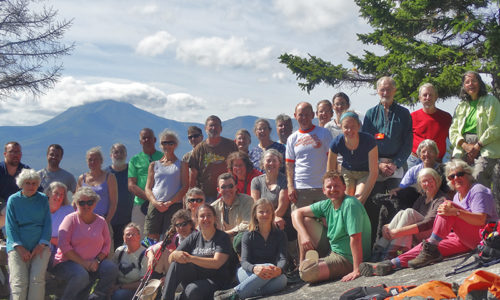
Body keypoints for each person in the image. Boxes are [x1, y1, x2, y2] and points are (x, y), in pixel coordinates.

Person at [360, 159, 499, 276]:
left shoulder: (477, 190)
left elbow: (480, 220)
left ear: (469, 174)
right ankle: (391, 263)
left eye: (460, 174)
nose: (456, 178)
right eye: (451, 176)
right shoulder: (455, 196)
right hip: (459, 238)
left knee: (445, 208)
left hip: (483, 237)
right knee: (425, 245)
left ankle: (426, 247)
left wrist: (455, 212)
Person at [292, 171, 371, 283]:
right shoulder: (327, 204)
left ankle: (309, 266)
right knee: (304, 221)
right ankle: (302, 264)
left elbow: (356, 238)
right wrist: (304, 235)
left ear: (344, 187)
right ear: (324, 190)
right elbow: (296, 213)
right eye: (329, 187)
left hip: (348, 258)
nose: (333, 189)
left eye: (336, 186)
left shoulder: (350, 204)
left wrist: (356, 269)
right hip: (332, 249)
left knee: (307, 273)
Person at [362, 76, 412, 244]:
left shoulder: (404, 113)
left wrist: (395, 163)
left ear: (394, 91)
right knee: (374, 205)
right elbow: (365, 142)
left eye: (389, 89)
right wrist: (378, 164)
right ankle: (374, 244)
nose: (385, 92)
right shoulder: (370, 114)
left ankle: (395, 245)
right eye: (382, 89)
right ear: (377, 91)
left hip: (396, 165)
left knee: (396, 204)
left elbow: (408, 142)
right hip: (375, 165)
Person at [214, 199, 287, 300]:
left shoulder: (280, 235)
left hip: (270, 273)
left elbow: (282, 258)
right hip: (248, 272)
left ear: (272, 214)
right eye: (261, 211)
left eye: (268, 211)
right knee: (268, 267)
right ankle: (240, 292)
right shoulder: (248, 235)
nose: (265, 214)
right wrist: (254, 269)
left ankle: (236, 293)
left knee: (282, 280)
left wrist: (279, 270)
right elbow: (244, 261)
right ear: (255, 215)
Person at [53, 187, 118, 300]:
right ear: (76, 204)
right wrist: (84, 264)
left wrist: (96, 261)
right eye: (81, 202)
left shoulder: (101, 221)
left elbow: (107, 245)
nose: (86, 206)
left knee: (111, 268)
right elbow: (64, 246)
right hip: (67, 262)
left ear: (95, 203)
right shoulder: (70, 220)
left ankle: (96, 296)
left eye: (90, 202)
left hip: (94, 262)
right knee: (81, 275)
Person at [449, 71, 500, 211]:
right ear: (463, 86)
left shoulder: (491, 101)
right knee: (456, 178)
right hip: (463, 147)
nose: (471, 84)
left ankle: (482, 214)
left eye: (474, 80)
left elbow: (496, 126)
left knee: (478, 176)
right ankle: (464, 214)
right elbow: (453, 130)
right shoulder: (461, 106)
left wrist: (478, 146)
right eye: (467, 82)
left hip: (486, 147)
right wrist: (465, 145)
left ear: (480, 83)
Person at [161, 204, 234, 300]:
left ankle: (179, 298)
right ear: (197, 220)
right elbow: (171, 258)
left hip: (216, 280)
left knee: (192, 290)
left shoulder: (222, 237)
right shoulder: (194, 237)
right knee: (176, 264)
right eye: (202, 216)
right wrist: (175, 254)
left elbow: (217, 263)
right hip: (196, 277)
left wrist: (190, 258)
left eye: (209, 215)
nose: (205, 219)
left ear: (215, 218)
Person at [371, 168, 446, 261]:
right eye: (424, 182)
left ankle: (391, 251)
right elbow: (409, 218)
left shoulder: (441, 199)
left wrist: (399, 231)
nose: (427, 184)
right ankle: (380, 248)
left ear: (437, 181)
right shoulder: (422, 199)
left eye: (430, 180)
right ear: (421, 185)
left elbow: (430, 222)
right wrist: (387, 226)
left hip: (432, 234)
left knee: (409, 212)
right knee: (402, 213)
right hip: (418, 232)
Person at [5, 168, 51, 300]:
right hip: (17, 246)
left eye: (34, 183)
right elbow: (10, 227)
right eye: (28, 183)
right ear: (21, 184)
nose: (31, 186)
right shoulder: (13, 200)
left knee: (37, 281)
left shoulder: (43, 199)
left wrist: (41, 244)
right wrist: (20, 247)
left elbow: (48, 224)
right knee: (19, 281)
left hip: (40, 246)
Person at [251, 149, 297, 264]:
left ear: (279, 163)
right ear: (262, 163)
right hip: (261, 219)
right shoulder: (256, 181)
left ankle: (291, 261)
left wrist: (273, 219)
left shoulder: (284, 180)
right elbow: (256, 205)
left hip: (281, 218)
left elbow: (283, 206)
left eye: (274, 161)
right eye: (268, 161)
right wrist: (267, 221)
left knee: (283, 227)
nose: (271, 163)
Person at [286, 102, 333, 209]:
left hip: (322, 187)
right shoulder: (292, 138)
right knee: (300, 221)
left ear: (312, 115)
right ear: (295, 116)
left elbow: (331, 159)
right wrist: (290, 186)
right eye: (300, 115)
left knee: (326, 222)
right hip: (300, 188)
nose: (304, 118)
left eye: (307, 114)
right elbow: (289, 165)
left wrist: (330, 182)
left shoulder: (324, 133)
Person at [144, 130, 187, 242]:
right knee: (151, 239)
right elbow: (148, 188)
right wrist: (155, 202)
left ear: (176, 145)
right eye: (164, 143)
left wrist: (170, 202)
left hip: (173, 206)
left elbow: (185, 186)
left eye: (170, 143)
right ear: (160, 145)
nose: (167, 146)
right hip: (155, 205)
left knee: (170, 239)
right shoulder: (154, 165)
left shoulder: (182, 165)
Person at [327, 111, 378, 204]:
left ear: (359, 126)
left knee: (357, 199)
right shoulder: (336, 142)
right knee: (347, 200)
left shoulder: (369, 141)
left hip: (365, 173)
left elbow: (374, 172)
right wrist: (332, 190)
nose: (350, 130)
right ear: (341, 127)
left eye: (353, 127)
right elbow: (330, 171)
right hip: (347, 172)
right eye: (346, 127)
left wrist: (363, 197)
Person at [189, 115, 238, 203]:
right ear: (205, 128)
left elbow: (237, 168)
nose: (213, 128)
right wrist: (192, 196)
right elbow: (193, 174)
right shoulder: (199, 149)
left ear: (221, 128)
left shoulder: (231, 145)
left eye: (216, 125)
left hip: (228, 192)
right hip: (205, 195)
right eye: (211, 125)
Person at [128, 128, 164, 235]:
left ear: (155, 140)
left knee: (158, 235)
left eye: (149, 137)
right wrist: (149, 198)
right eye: (144, 138)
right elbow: (131, 185)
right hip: (140, 204)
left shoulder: (163, 157)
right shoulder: (134, 160)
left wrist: (155, 201)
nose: (147, 140)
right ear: (140, 141)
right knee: (138, 236)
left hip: (160, 204)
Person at [408, 84, 452, 168]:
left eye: (431, 95)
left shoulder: (446, 117)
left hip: (436, 162)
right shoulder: (412, 117)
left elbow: (453, 139)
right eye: (425, 95)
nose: (428, 98)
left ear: (436, 97)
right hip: (415, 161)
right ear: (420, 98)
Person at [146, 209, 195, 277]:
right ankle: (155, 280)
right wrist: (151, 257)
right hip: (176, 270)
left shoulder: (198, 236)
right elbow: (151, 248)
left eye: (184, 224)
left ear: (191, 224)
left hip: (192, 272)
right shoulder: (175, 238)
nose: (181, 227)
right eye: (178, 225)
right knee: (158, 249)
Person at [77, 147, 118, 224]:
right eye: (90, 160)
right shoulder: (82, 178)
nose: (93, 162)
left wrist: (106, 221)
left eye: (96, 159)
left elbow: (113, 203)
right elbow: (76, 201)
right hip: (82, 221)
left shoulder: (109, 177)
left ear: (101, 161)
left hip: (102, 220)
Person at [106, 143, 134, 249]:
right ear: (111, 155)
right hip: (109, 219)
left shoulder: (132, 171)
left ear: (126, 155)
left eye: (122, 152)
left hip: (128, 219)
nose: (119, 155)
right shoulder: (105, 173)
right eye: (116, 152)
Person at [111, 223, 147, 300]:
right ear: (123, 238)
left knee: (118, 295)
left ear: (139, 237)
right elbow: (112, 272)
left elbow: (143, 283)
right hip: (117, 285)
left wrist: (120, 287)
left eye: (133, 234)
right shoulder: (119, 251)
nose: (130, 237)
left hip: (136, 290)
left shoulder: (145, 254)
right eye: (127, 234)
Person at [45, 181, 74, 256]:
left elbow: (70, 239)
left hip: (63, 252)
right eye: (56, 193)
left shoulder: (69, 211)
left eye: (62, 194)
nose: (58, 197)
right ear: (48, 193)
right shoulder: (39, 209)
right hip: (41, 249)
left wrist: (48, 238)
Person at [0, 142, 31, 208]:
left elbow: (37, 190)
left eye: (17, 152)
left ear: (21, 154)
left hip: (21, 209)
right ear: (5, 154)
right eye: (11, 152)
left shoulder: (26, 171)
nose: (15, 155)